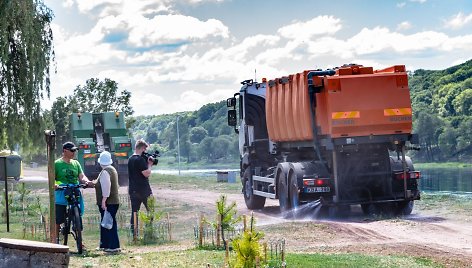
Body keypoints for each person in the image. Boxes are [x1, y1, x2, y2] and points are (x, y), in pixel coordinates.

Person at [55, 141, 93, 243]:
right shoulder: (57, 164)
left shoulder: (76, 163)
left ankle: (80, 240)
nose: (74, 153)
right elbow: (52, 178)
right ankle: (55, 239)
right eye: (72, 151)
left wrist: (86, 181)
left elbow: (82, 176)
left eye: (75, 151)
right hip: (61, 192)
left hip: (74, 190)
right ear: (65, 151)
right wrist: (55, 185)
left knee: (78, 214)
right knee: (58, 217)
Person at [94, 151, 120, 253]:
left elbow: (106, 187)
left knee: (109, 224)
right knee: (105, 223)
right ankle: (104, 244)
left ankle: (113, 246)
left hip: (109, 202)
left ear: (100, 162)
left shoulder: (105, 172)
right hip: (113, 201)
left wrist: (104, 201)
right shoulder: (112, 169)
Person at [128, 139, 154, 235]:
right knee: (151, 210)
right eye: (145, 150)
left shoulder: (130, 159)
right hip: (143, 190)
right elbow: (146, 174)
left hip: (133, 189)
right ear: (143, 148)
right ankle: (149, 232)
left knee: (134, 212)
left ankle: (134, 234)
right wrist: (150, 165)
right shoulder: (139, 160)